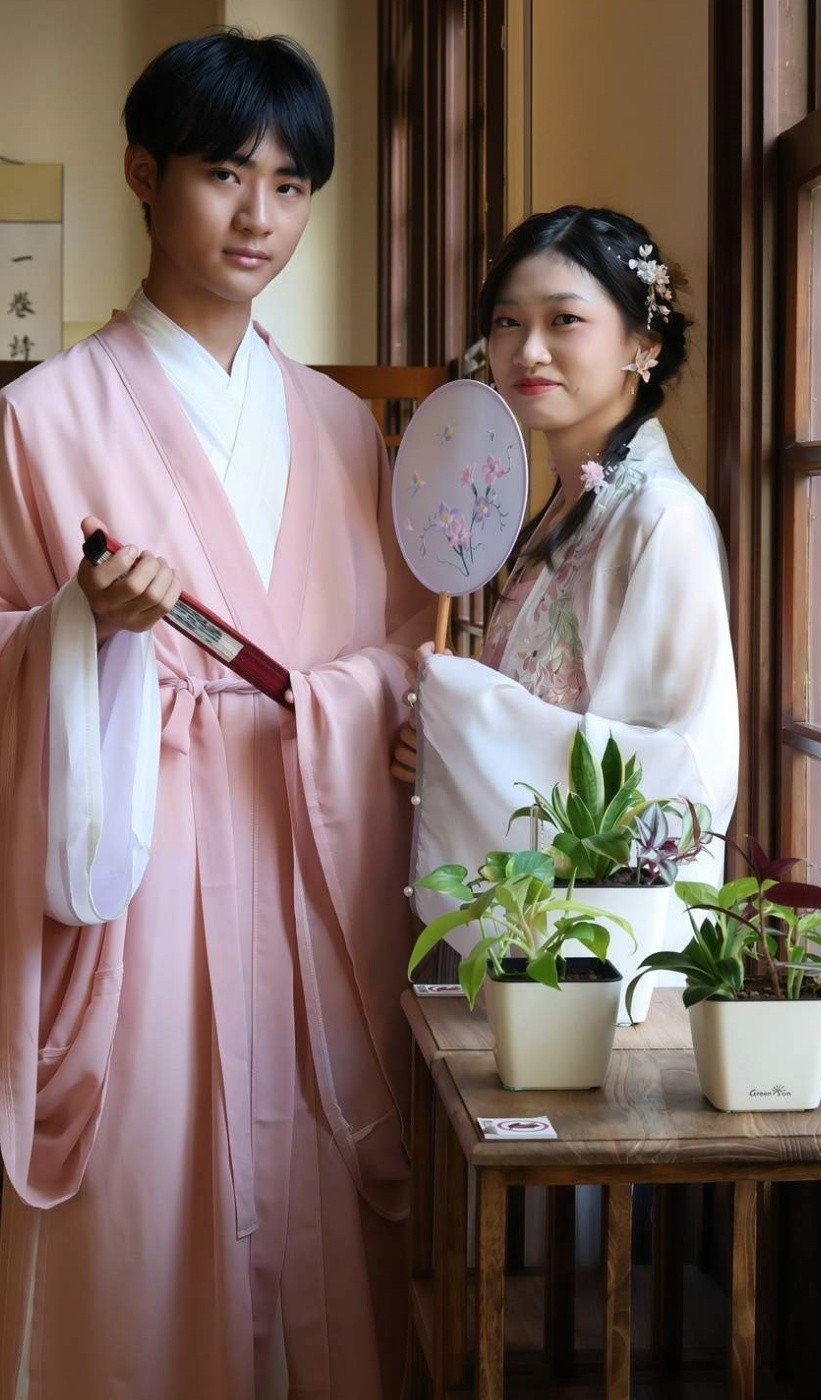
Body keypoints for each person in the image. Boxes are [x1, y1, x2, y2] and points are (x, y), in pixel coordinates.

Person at [0, 30, 428, 1400]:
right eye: (225, 173)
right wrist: (83, 635)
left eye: (292, 186)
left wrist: (366, 702)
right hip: (140, 879)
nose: (259, 217)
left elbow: (400, 650)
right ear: (144, 173)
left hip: (314, 869)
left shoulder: (343, 429)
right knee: (147, 1191)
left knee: (317, 1196)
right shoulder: (38, 418)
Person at [394, 205, 738, 939]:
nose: (529, 351)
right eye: (508, 322)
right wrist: (439, 749)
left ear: (642, 344)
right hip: (537, 932)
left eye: (565, 321)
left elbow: (671, 773)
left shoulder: (661, 520)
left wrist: (464, 717)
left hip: (605, 942)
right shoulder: (564, 507)